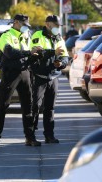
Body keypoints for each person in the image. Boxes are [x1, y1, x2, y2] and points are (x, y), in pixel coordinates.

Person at [0, 14, 42, 147]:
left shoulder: (27, 36)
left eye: (27, 26)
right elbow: (10, 53)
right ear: (16, 23)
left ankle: (30, 137)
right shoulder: (6, 36)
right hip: (10, 74)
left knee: (28, 106)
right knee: (3, 105)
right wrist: (28, 53)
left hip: (25, 72)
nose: (26, 28)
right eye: (24, 25)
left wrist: (37, 54)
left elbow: (30, 53)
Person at [30, 15, 69, 143]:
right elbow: (37, 53)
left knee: (50, 108)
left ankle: (49, 135)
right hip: (39, 77)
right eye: (55, 25)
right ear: (47, 24)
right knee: (35, 106)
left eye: (59, 26)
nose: (58, 28)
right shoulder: (37, 36)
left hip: (53, 77)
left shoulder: (59, 38)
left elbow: (65, 56)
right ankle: (31, 136)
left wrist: (61, 63)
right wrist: (53, 53)